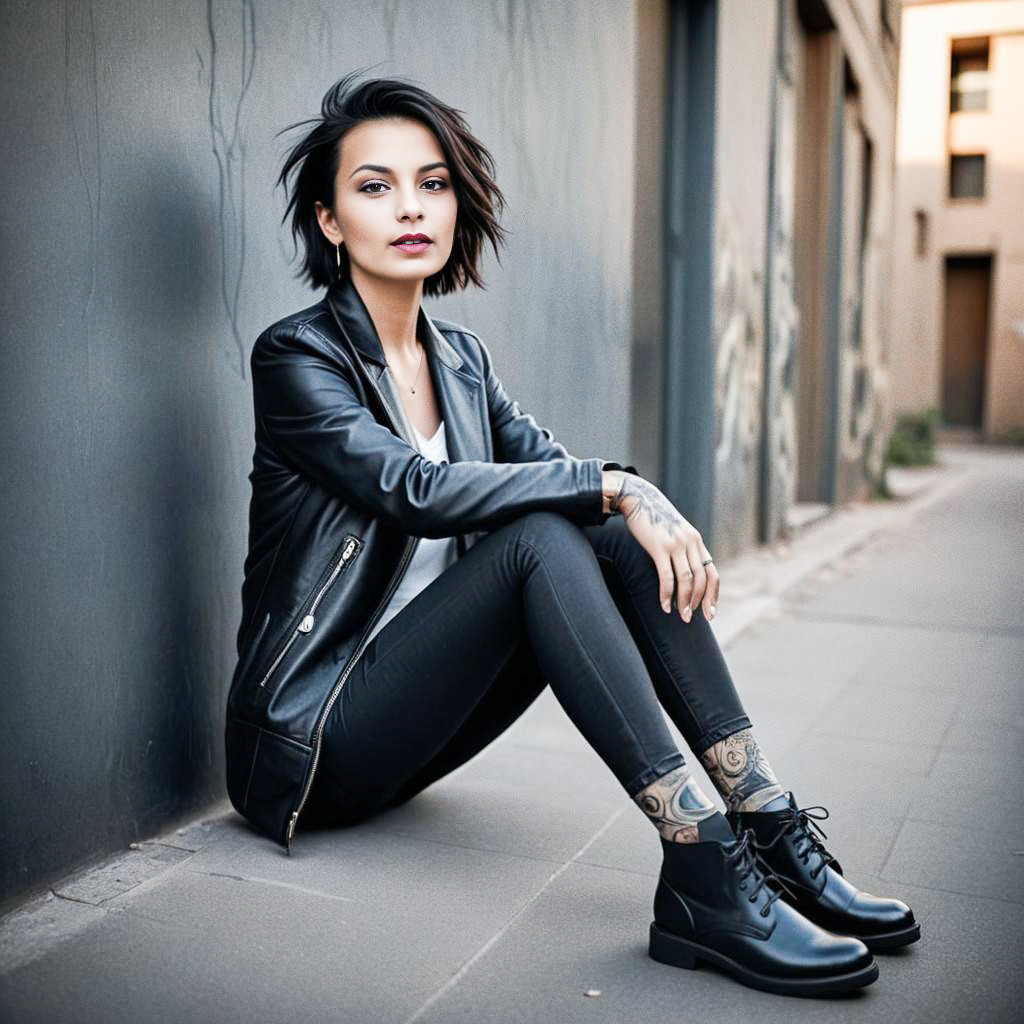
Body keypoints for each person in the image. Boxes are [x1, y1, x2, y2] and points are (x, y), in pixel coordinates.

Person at [225, 71, 918, 998]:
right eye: (375, 186)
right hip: (313, 742)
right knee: (544, 536)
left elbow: (563, 479)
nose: (410, 208)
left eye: (432, 183)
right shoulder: (296, 355)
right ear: (329, 220)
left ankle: (764, 820)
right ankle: (701, 862)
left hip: (418, 730)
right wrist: (619, 483)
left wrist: (632, 500)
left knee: (603, 531)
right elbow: (415, 489)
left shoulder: (462, 361)